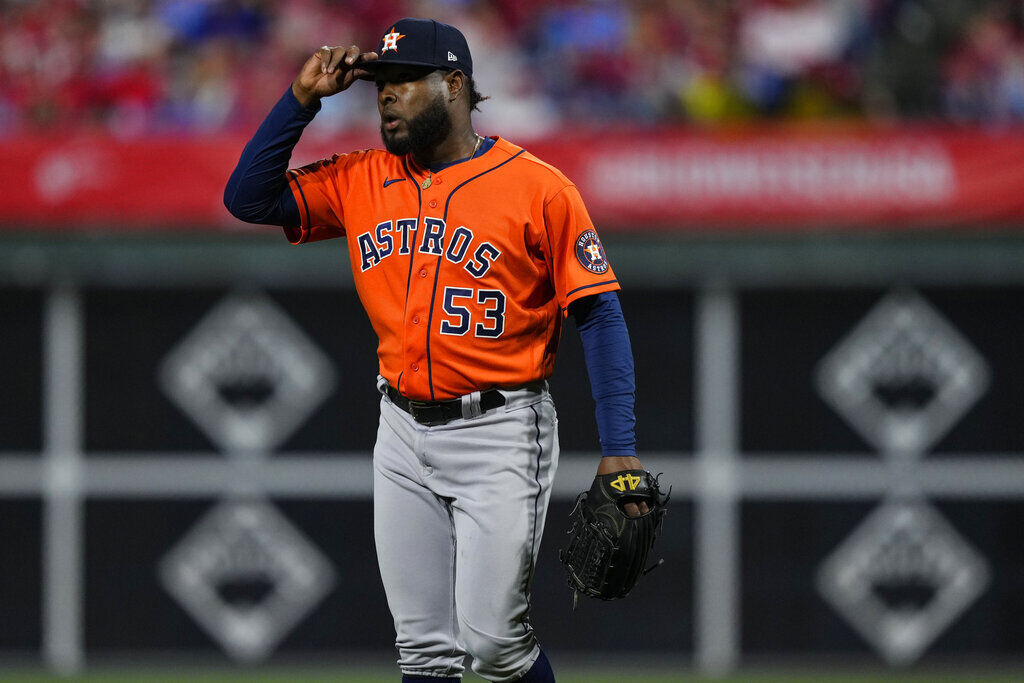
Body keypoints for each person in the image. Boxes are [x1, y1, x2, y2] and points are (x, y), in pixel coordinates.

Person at [224, 17, 646, 683]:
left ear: (454, 85)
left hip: (502, 428)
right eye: (379, 84)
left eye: (402, 82)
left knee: (495, 644)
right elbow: (247, 197)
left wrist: (618, 445)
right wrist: (301, 100)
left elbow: (598, 311)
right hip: (400, 427)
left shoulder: (538, 187)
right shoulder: (362, 178)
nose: (386, 96)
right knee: (422, 649)